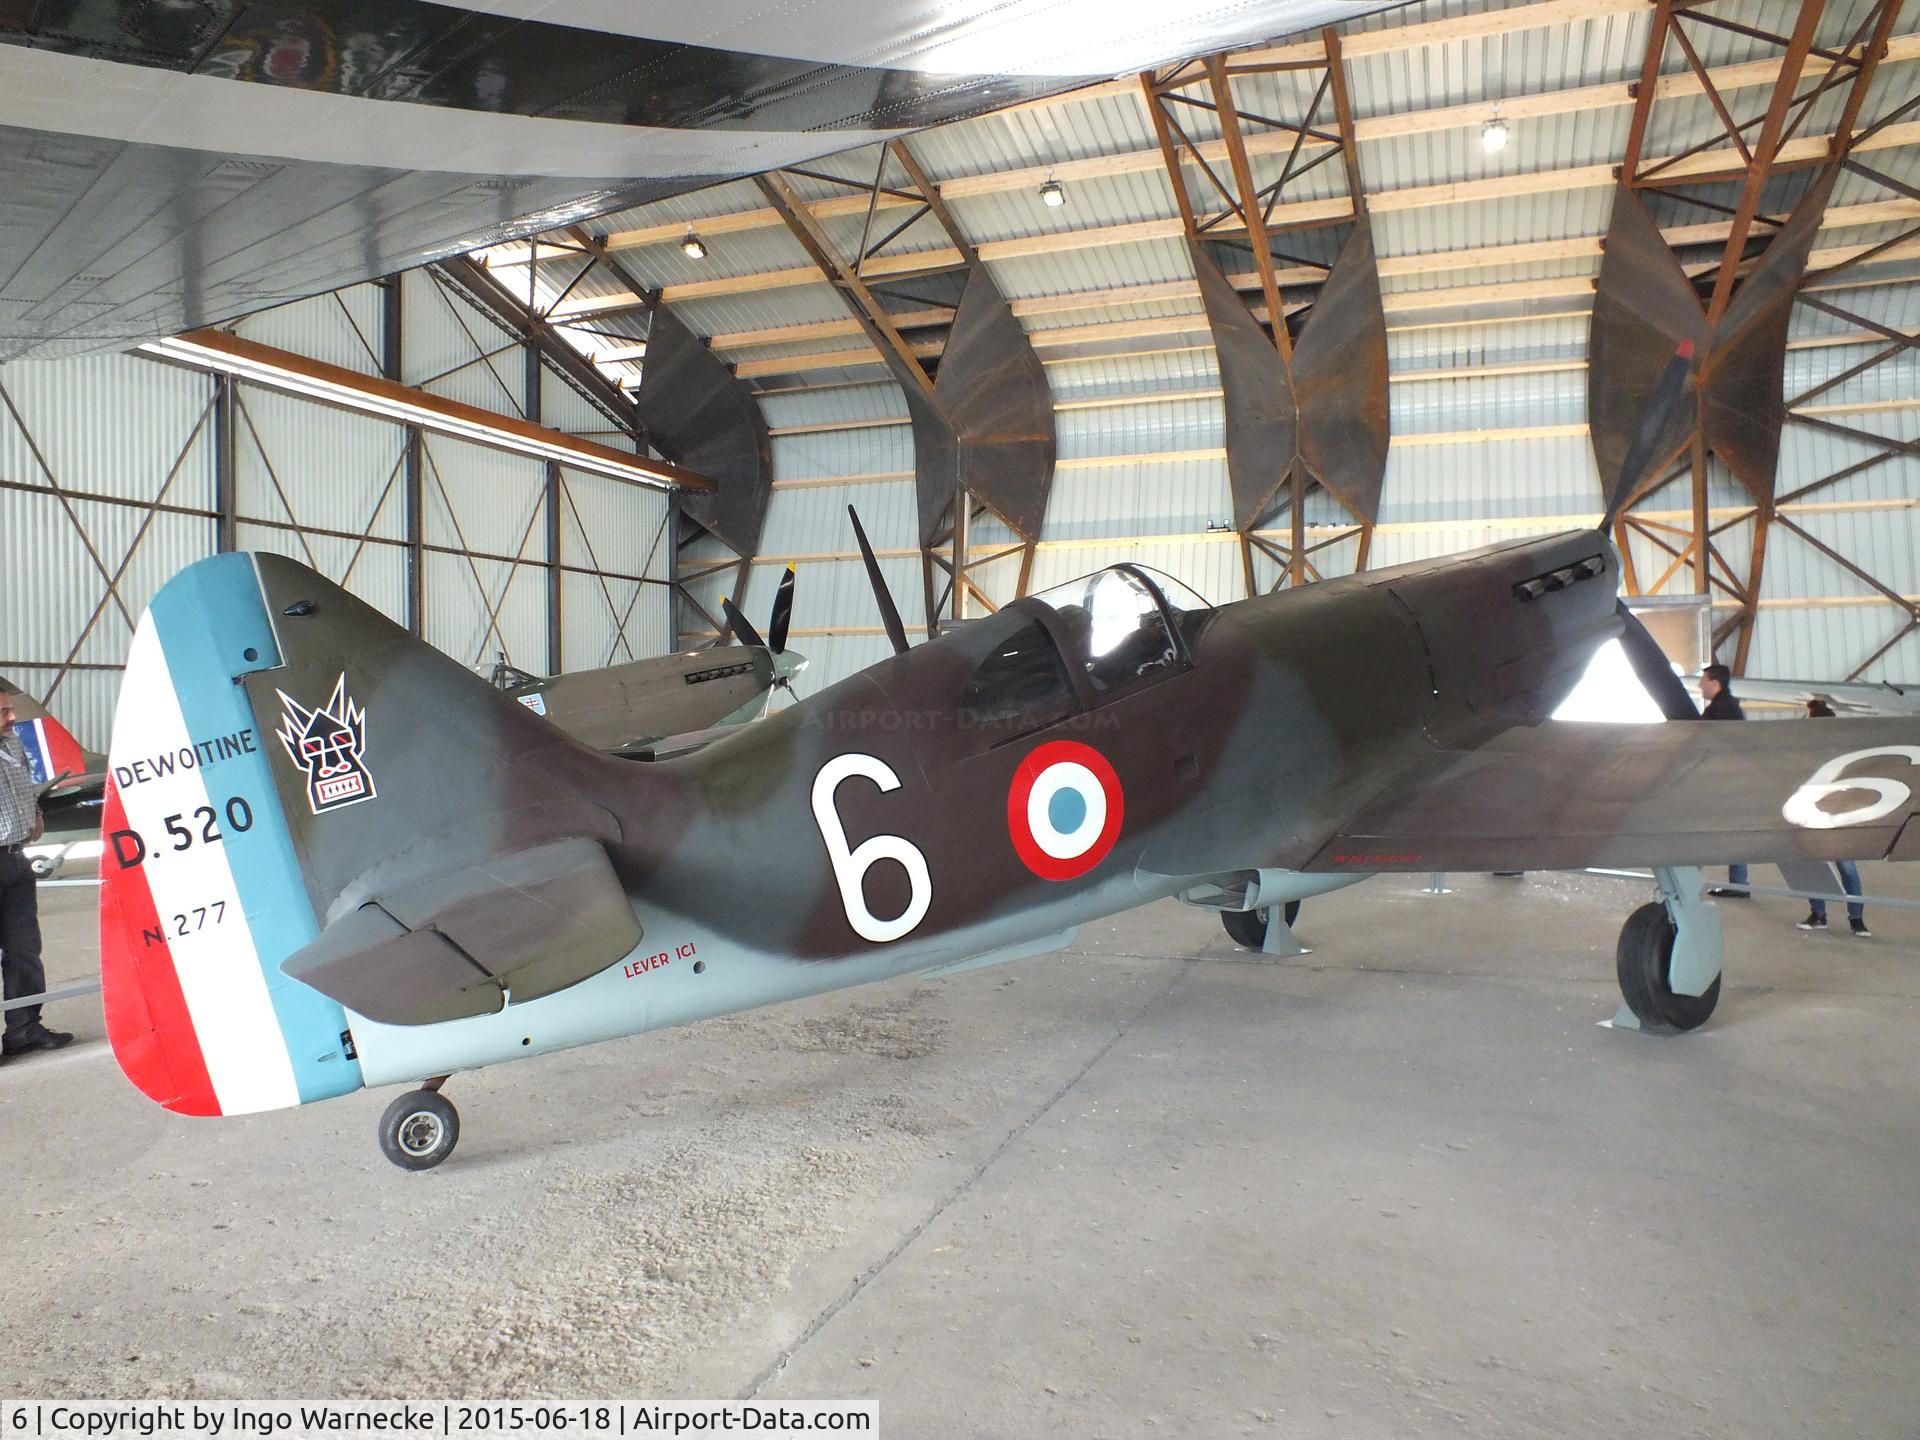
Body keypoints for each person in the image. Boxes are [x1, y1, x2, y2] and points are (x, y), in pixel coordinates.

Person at [0, 688, 74, 1059]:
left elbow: (26, 786)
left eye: (10, 709)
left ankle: (24, 1029)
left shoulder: (11, 744)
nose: (12, 717)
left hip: (15, 860)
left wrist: (37, 815)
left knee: (24, 948)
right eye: (3, 712)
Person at [1796, 699, 1871, 938]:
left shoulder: (1814, 752)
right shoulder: (1842, 751)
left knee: (1831, 867)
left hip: (1829, 815)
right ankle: (1855, 920)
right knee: (1844, 868)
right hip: (1830, 815)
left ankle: (1821, 915)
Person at [1699, 663, 1751, 899]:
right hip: (1736, 778)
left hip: (1723, 780)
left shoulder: (1718, 711)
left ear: (1714, 683)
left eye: (1703, 680)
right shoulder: (1731, 707)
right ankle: (1739, 883)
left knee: (1721, 831)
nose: (1700, 685)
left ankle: (1738, 885)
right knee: (1735, 831)